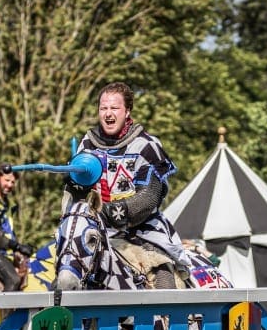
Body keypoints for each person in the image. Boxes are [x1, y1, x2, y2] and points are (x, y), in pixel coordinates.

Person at [64, 81, 187, 290]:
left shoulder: (147, 146)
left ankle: (167, 319)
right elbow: (78, 190)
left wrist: (107, 212)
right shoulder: (88, 144)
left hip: (144, 231)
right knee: (65, 268)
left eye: (114, 108)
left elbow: (148, 198)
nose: (108, 113)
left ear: (127, 111)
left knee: (163, 278)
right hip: (95, 230)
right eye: (103, 108)